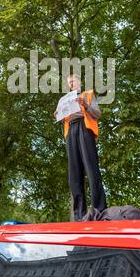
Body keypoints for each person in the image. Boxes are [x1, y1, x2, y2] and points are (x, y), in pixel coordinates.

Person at [55, 74, 107, 221]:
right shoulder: (64, 100)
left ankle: (99, 210)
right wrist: (58, 115)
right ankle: (79, 215)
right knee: (74, 174)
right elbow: (62, 117)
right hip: (71, 132)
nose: (71, 84)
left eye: (73, 81)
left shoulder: (88, 94)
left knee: (91, 169)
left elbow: (97, 114)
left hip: (84, 129)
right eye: (69, 82)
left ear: (79, 82)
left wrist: (85, 105)